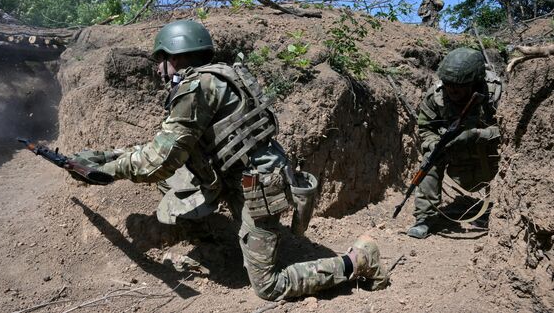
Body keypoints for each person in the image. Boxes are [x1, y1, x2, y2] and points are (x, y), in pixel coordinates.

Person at [70, 20, 389, 300]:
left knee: (270, 287)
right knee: (174, 181)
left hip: (256, 187)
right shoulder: (217, 76)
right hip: (233, 175)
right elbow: (166, 147)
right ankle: (205, 233)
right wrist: (111, 156)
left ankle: (358, 261)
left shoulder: (195, 88)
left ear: (177, 56)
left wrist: (107, 170)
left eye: (162, 58)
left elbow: (160, 160)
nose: (158, 68)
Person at [407, 47, 503, 239]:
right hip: (456, 155)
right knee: (429, 160)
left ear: (475, 83)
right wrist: (435, 144)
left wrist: (478, 134)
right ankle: (425, 218)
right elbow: (425, 129)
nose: (452, 90)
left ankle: (503, 211)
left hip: (491, 154)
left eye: (459, 86)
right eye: (448, 84)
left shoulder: (495, 94)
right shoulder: (435, 97)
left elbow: (512, 133)